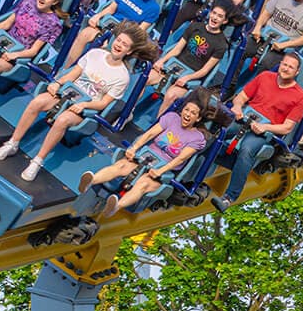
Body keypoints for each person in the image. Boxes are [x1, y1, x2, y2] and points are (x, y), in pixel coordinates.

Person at [0, 22, 159, 182]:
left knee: (63, 119)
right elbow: (73, 74)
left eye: (125, 45)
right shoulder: (95, 54)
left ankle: (37, 161)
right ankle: (13, 143)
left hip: (87, 108)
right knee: (37, 102)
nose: (119, 45)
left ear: (129, 52)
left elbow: (103, 104)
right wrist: (57, 84)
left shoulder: (122, 76)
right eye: (119, 40)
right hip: (70, 93)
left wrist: (85, 105)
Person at [79, 88, 216, 216]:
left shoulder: (197, 138)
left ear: (198, 119)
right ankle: (91, 180)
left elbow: (180, 159)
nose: (188, 114)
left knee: (143, 183)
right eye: (186, 110)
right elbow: (149, 134)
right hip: (147, 155)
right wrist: (134, 147)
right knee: (122, 166)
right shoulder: (172, 118)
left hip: (165, 168)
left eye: (193, 113)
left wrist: (160, 171)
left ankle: (116, 206)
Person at [213, 52, 303, 209]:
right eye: (284, 64)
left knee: (247, 149)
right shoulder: (265, 77)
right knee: (215, 133)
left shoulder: (299, 97)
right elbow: (241, 97)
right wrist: (237, 107)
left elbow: (287, 127)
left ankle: (229, 198)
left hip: (265, 130)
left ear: (297, 72)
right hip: (245, 118)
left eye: (290, 67)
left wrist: (265, 127)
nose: (286, 69)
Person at [63, 0, 162, 67]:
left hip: (124, 37)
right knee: (84, 34)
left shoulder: (154, 8)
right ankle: (65, 69)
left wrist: (118, 40)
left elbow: (139, 31)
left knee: (105, 48)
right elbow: (111, 8)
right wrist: (98, 16)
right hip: (107, 27)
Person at [150, 1, 234, 105]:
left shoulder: (221, 44)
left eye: (220, 16)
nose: (215, 17)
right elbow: (177, 49)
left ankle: (162, 121)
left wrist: (187, 78)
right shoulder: (195, 26)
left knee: (170, 95)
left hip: (191, 76)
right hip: (173, 66)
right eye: (214, 13)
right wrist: (161, 61)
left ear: (225, 21)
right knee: (147, 77)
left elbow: (205, 70)